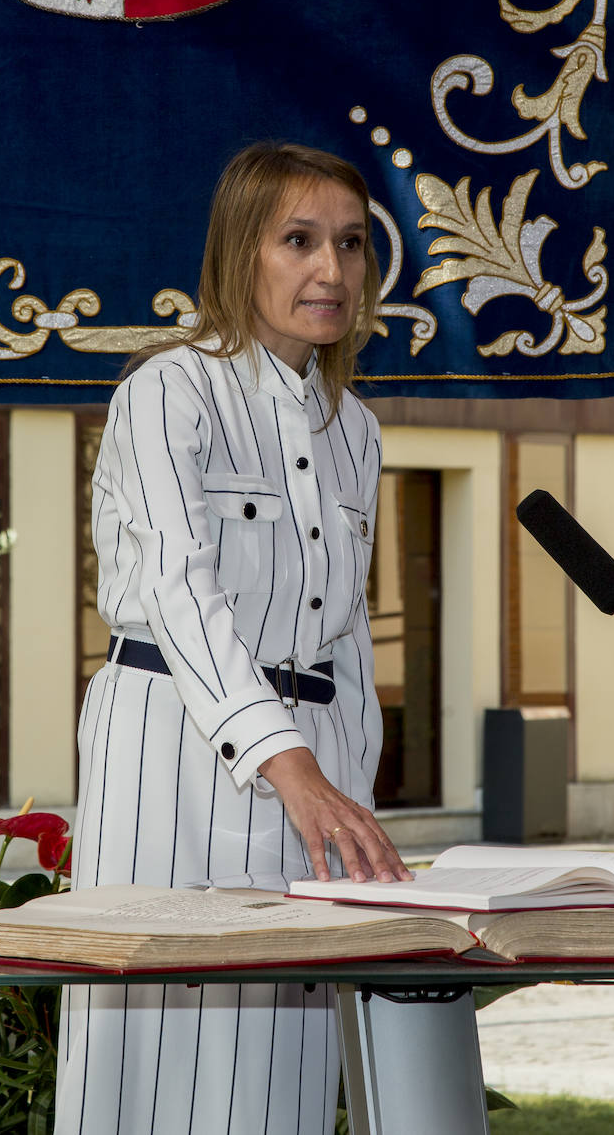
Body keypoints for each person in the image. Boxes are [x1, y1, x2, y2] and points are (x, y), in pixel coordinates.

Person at [53, 142, 411, 1135]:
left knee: (281, 1066)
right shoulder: (169, 390)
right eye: (298, 241)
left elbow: (345, 636)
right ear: (240, 253)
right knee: (145, 1050)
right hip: (166, 741)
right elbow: (177, 587)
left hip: (315, 768)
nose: (330, 270)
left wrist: (353, 792)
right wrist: (288, 764)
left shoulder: (358, 430)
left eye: (349, 243)